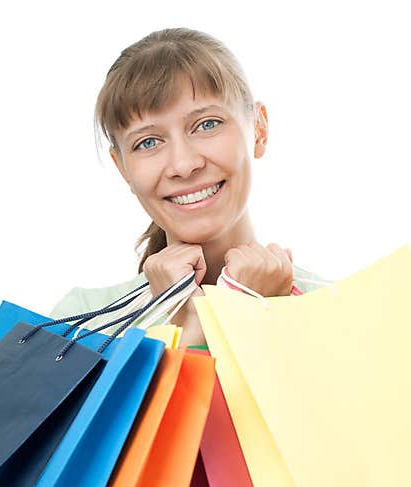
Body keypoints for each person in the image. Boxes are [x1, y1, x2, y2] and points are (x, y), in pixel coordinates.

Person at [50, 28, 330, 347]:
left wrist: (264, 319)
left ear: (259, 129)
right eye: (148, 142)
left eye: (207, 124)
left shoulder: (347, 310)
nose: (183, 164)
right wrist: (188, 335)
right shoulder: (82, 324)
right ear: (122, 167)